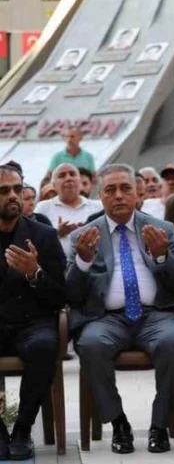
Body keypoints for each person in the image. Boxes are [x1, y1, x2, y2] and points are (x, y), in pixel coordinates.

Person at [67, 164, 174, 454]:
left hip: (155, 315)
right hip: (105, 318)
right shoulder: (84, 236)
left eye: (125, 189)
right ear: (101, 196)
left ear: (138, 194)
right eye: (111, 190)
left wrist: (161, 257)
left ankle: (159, 426)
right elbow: (71, 294)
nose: (119, 196)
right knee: (92, 344)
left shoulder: (161, 229)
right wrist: (83, 262)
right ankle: (118, 423)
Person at [0, 163, 66, 461]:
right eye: (3, 191)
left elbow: (61, 297)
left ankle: (23, 430)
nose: (13, 196)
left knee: (43, 347)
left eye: (17, 188)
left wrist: (34, 273)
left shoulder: (44, 235)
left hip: (32, 323)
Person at [34, 163, 102, 242]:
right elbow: (35, 240)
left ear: (80, 181)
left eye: (72, 174)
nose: (68, 178)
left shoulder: (99, 207)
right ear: (54, 185)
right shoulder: (43, 208)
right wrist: (58, 234)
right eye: (62, 175)